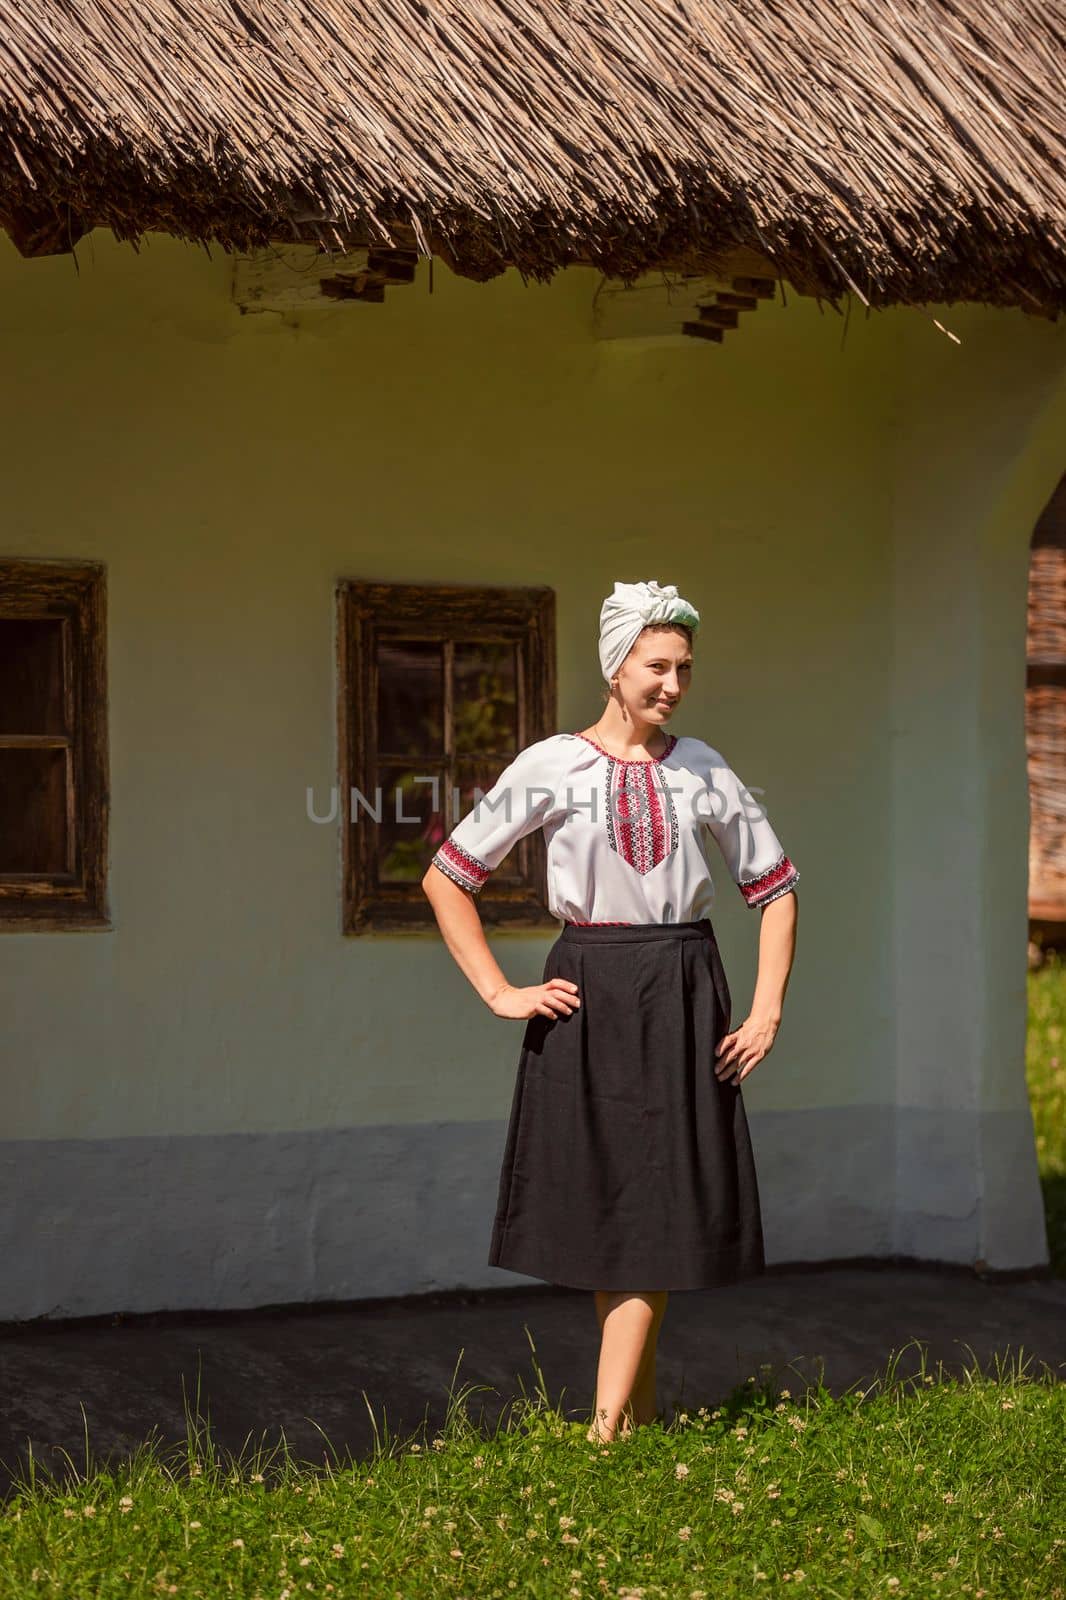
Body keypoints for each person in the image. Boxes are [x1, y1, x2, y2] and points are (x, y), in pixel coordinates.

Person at [421, 578, 800, 1443]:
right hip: (588, 989)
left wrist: (768, 1009)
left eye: (684, 668)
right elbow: (448, 876)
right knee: (613, 1209)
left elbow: (774, 890)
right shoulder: (553, 763)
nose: (672, 684)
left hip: (681, 988)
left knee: (655, 1206)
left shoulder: (702, 766)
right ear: (616, 664)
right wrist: (499, 991)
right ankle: (633, 1424)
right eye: (656, 665)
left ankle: (603, 1436)